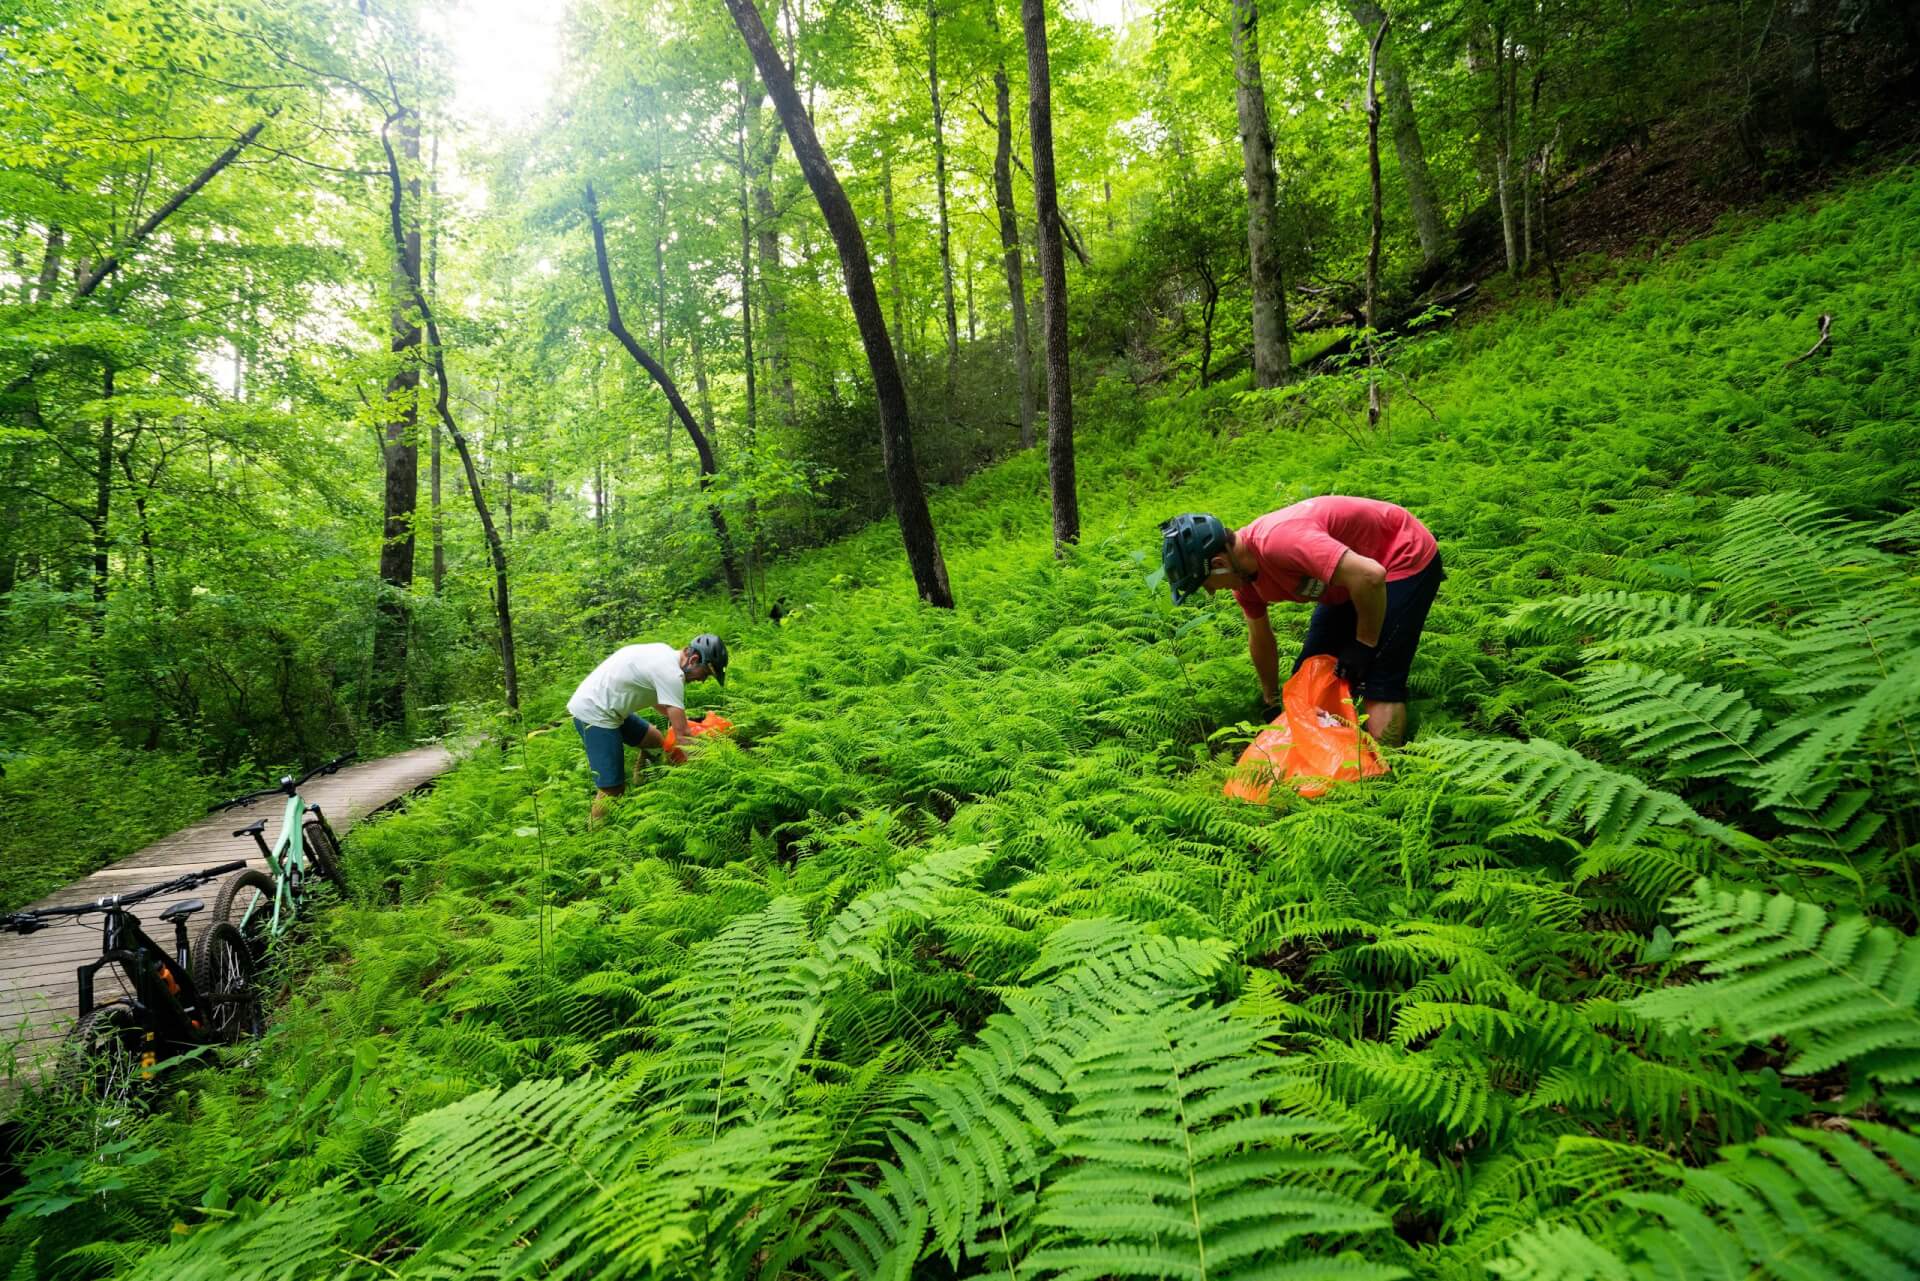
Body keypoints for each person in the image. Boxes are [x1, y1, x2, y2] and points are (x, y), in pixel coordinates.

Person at [1159, 498, 1442, 745]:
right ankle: (1331, 761)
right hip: (1349, 579)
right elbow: (1261, 638)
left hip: (1399, 556)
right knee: (1306, 678)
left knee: (1379, 680)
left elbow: (1370, 575)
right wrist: (1270, 697)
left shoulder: (1279, 543)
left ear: (1219, 563)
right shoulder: (1244, 583)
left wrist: (1365, 643)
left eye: (1205, 583)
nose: (1209, 591)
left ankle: (1389, 778)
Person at [567, 633, 729, 823]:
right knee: (612, 789)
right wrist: (706, 772)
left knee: (654, 740)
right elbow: (683, 737)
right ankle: (594, 838)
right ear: (694, 660)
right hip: (594, 713)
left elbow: (661, 702)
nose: (702, 680)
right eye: (706, 674)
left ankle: (642, 784)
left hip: (610, 706)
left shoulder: (663, 653)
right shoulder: (671, 674)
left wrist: (686, 721)